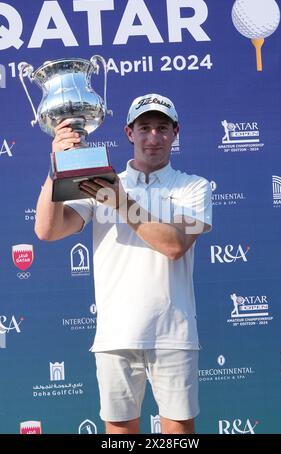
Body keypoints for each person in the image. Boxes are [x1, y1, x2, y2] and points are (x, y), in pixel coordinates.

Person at [35, 93, 212, 435]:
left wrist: (120, 202)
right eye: (144, 127)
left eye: (162, 128)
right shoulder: (99, 182)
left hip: (173, 335)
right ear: (129, 133)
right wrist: (55, 166)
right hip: (116, 335)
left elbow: (174, 245)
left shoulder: (194, 187)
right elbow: (47, 229)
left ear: (176, 132)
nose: (154, 137)